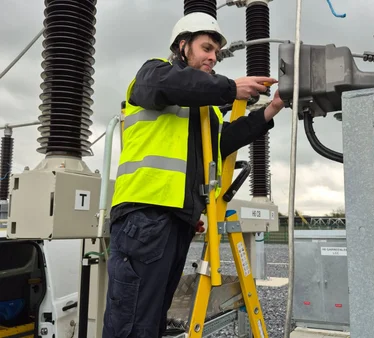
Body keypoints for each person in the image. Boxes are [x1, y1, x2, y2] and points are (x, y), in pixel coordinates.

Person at [102, 12, 285, 338]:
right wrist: (231, 87)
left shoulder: (205, 110)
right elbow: (171, 85)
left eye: (216, 53)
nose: (213, 57)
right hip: (144, 214)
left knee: (152, 320)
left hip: (176, 220)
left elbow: (222, 142)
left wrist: (270, 111)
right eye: (206, 48)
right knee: (131, 325)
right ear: (182, 45)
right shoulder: (152, 74)